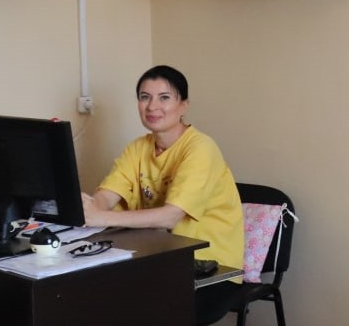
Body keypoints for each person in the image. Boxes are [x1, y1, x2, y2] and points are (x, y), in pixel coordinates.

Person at [83, 65, 244, 325]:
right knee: (87, 297)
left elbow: (170, 217)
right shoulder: (137, 148)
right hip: (156, 260)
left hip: (209, 269)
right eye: (144, 97)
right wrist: (92, 207)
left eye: (164, 97)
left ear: (184, 106)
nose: (152, 106)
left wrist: (100, 217)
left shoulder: (201, 148)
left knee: (139, 311)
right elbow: (106, 196)